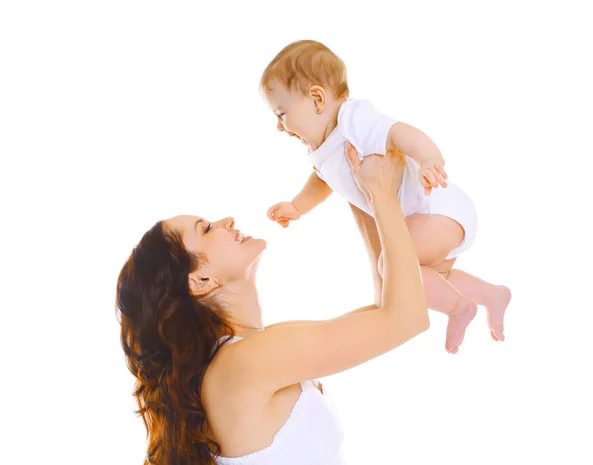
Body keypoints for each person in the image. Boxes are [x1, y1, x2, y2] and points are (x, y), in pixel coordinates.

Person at [116, 143, 428, 464]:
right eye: (207, 229)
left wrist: (354, 189)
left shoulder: (251, 351)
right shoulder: (248, 360)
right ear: (200, 281)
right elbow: (407, 318)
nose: (227, 220)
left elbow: (386, 308)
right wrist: (382, 196)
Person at [262, 40, 511, 354]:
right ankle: (492, 295)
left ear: (316, 98)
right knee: (427, 279)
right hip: (425, 221)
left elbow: (399, 132)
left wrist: (430, 159)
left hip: (435, 209)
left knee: (393, 269)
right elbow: (322, 181)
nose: (280, 127)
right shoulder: (322, 151)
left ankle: (459, 308)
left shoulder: (352, 120)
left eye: (282, 113)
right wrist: (297, 206)